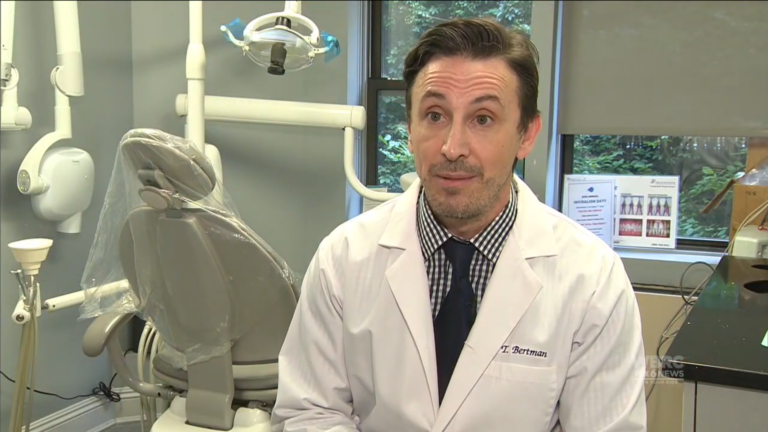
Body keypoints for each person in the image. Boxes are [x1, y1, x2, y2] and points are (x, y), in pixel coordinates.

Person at [271, 18, 647, 432]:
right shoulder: (343, 259)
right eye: (434, 115)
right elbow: (309, 412)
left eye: (483, 119)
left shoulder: (593, 281)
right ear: (410, 130)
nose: (452, 147)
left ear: (526, 134)